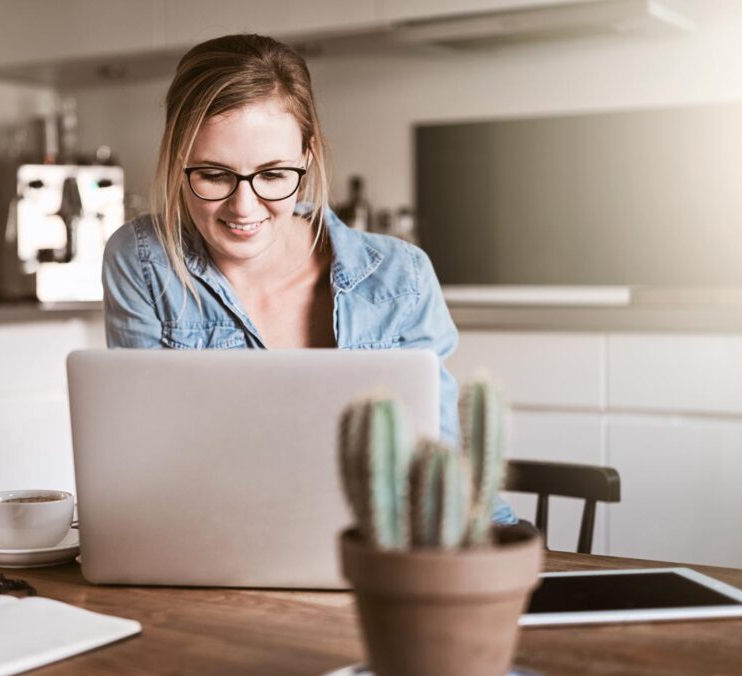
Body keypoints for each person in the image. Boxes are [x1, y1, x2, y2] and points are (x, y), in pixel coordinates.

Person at [102, 34, 516, 524]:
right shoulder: (144, 262)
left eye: (274, 175)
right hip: (218, 543)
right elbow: (149, 463)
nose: (244, 207)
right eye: (213, 175)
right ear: (176, 159)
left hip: (383, 556)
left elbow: (443, 470)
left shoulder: (401, 277)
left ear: (308, 156)